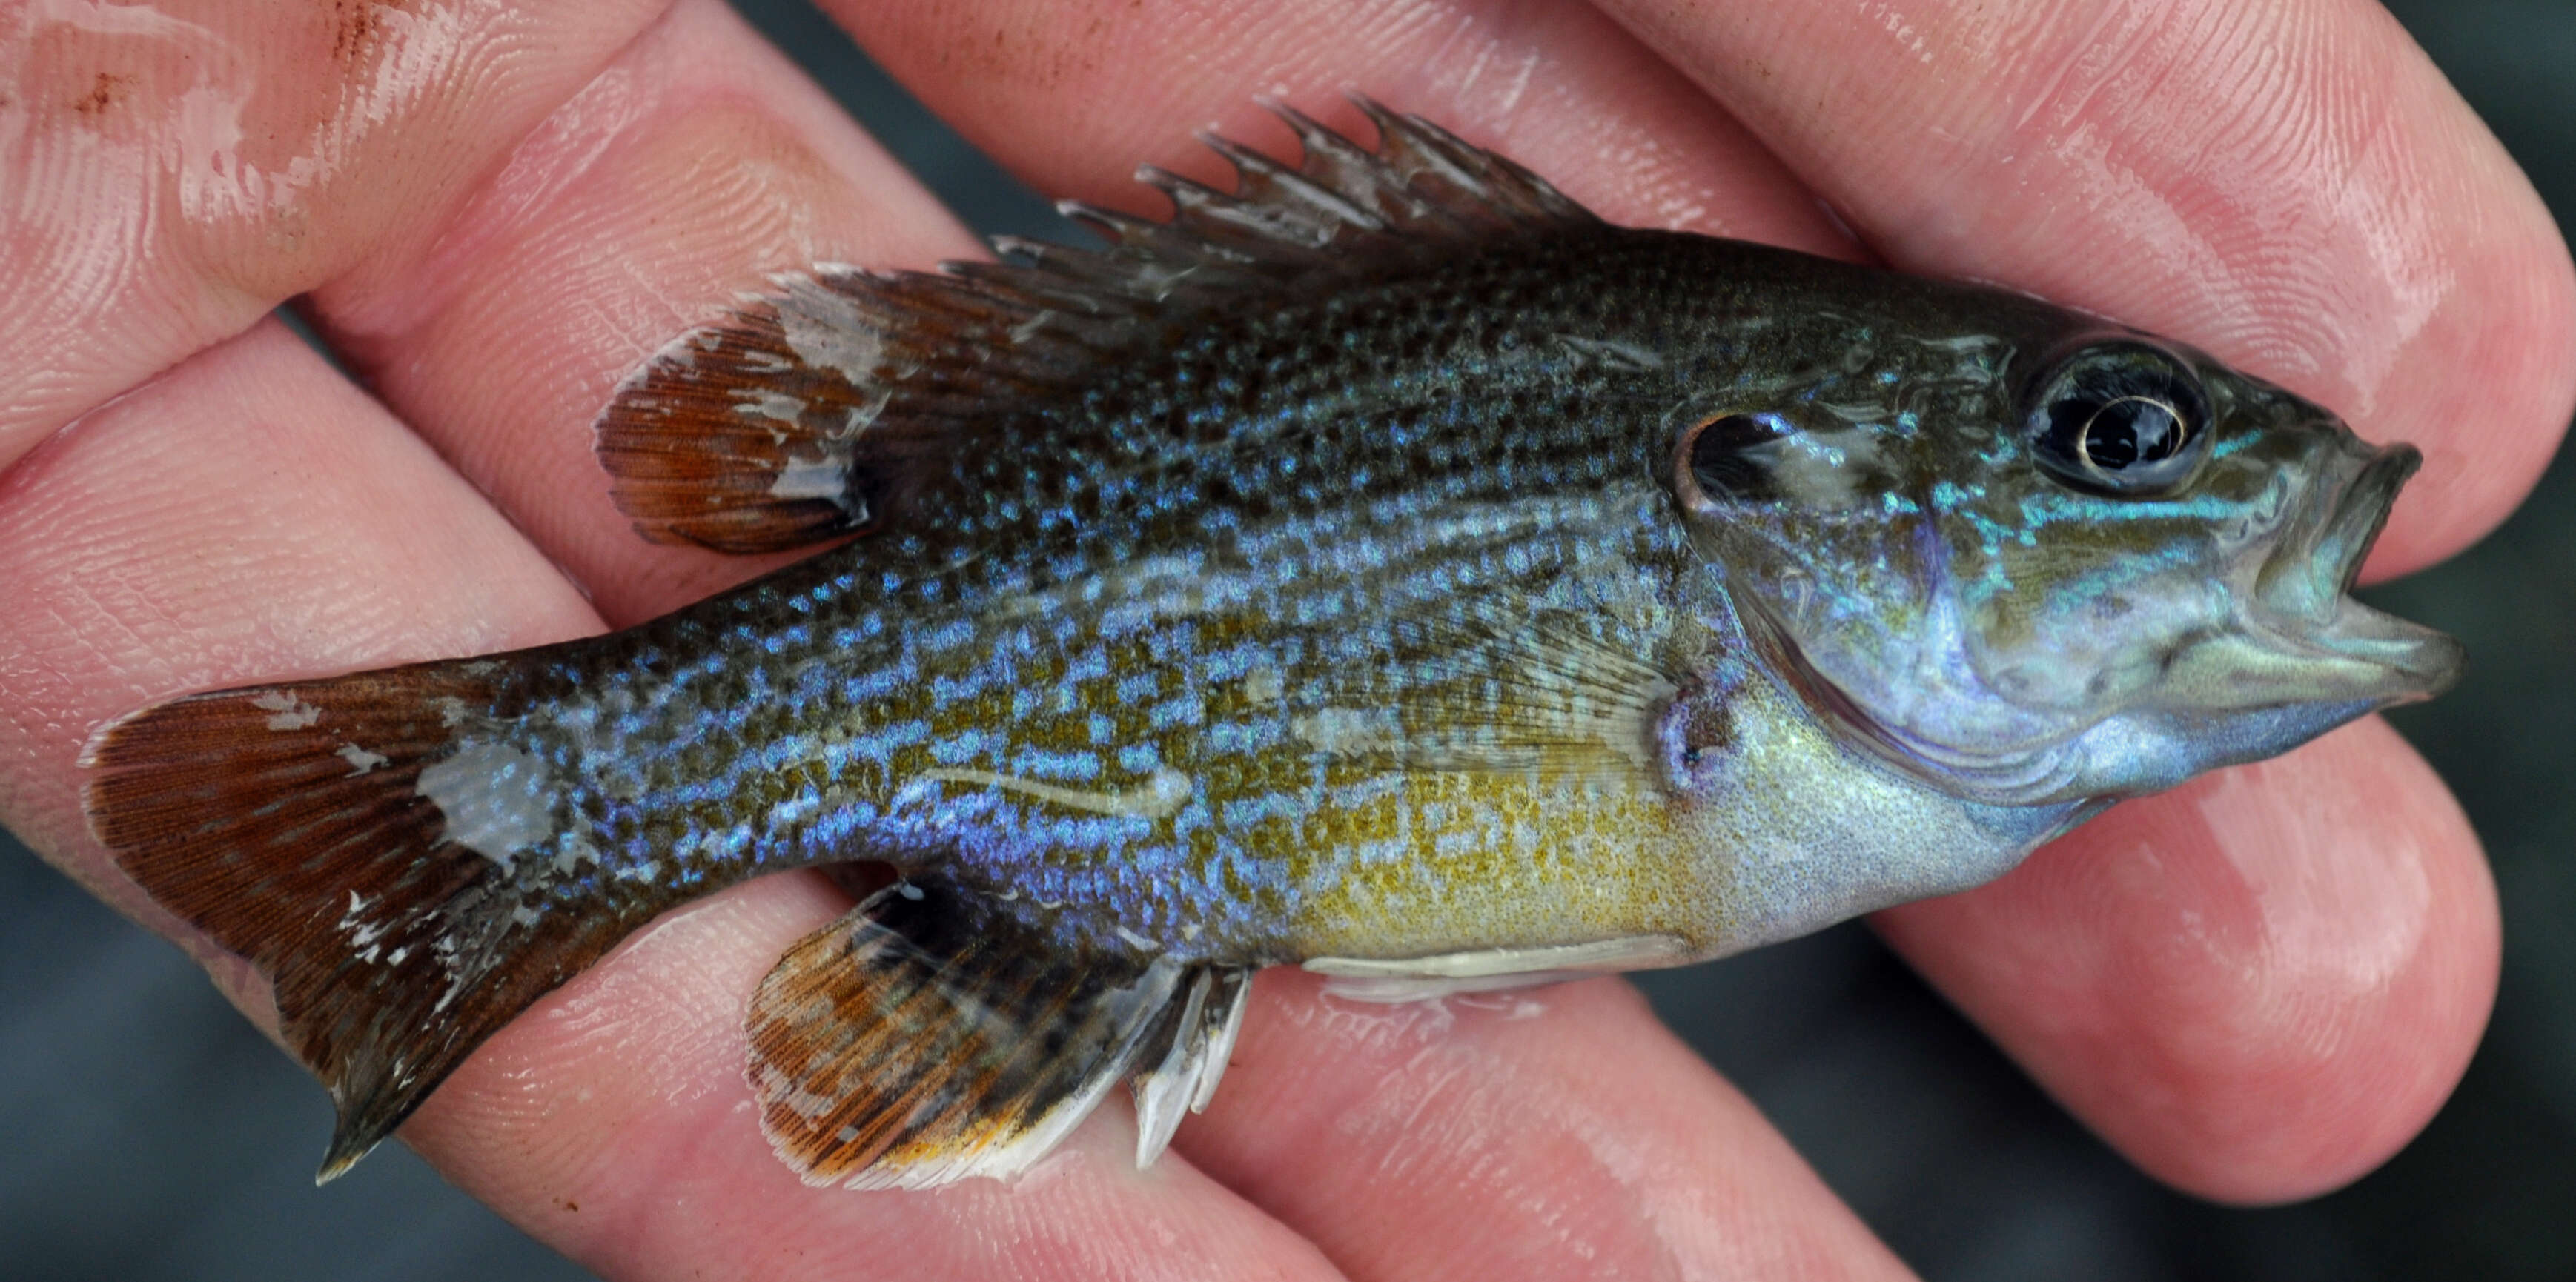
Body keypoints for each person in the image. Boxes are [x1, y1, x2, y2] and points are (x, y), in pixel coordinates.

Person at [0, 0, 2564, 1275]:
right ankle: (504, 815)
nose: (2205, 492)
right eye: (2106, 438)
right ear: (1780, 479)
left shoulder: (1833, 630)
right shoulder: (1754, 538)